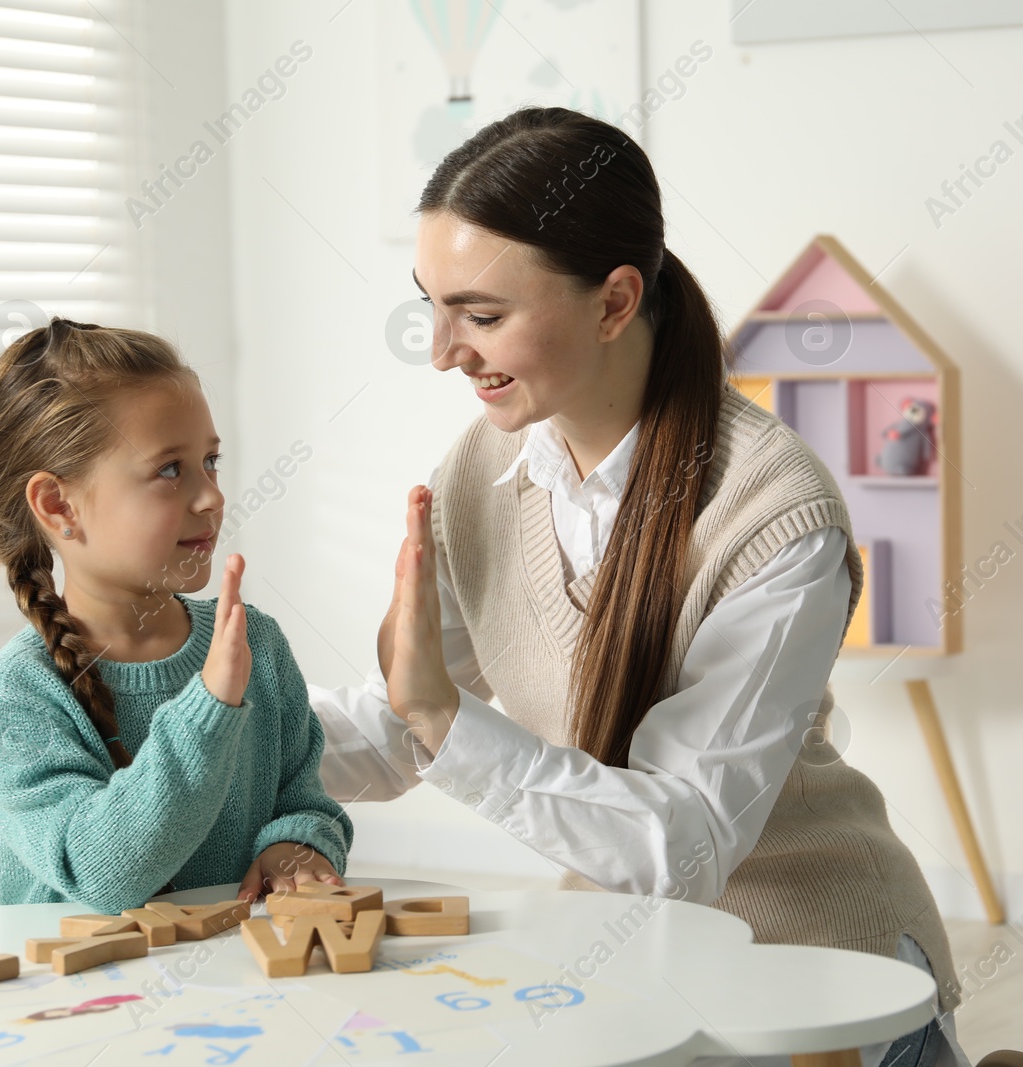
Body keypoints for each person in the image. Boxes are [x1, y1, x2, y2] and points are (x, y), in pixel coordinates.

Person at [310, 106, 971, 1067]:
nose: (444, 349)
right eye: (433, 305)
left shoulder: (772, 512)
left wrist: (446, 721)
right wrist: (207, 735)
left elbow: (687, 844)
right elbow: (401, 721)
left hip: (818, 972)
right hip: (636, 960)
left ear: (615, 303)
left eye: (483, 315)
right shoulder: (480, 476)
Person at [0, 318, 351, 913]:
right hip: (85, 999)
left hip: (238, 991)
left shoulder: (258, 647)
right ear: (57, 504)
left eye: (211, 461)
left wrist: (295, 846)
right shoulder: (15, 695)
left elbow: (305, 802)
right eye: (170, 470)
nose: (213, 496)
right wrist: (211, 705)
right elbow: (106, 878)